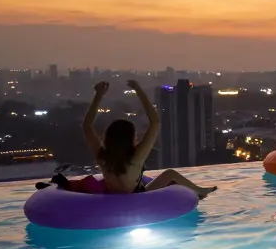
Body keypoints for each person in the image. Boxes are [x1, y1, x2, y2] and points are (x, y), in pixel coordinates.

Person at [78, 81, 217, 197]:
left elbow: (87, 126)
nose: (137, 137)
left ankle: (199, 191)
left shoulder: (103, 157)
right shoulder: (135, 158)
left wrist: (99, 95)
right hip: (138, 199)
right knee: (169, 174)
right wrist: (138, 90)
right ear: (129, 139)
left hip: (113, 199)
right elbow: (155, 123)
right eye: (135, 135)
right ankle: (200, 191)